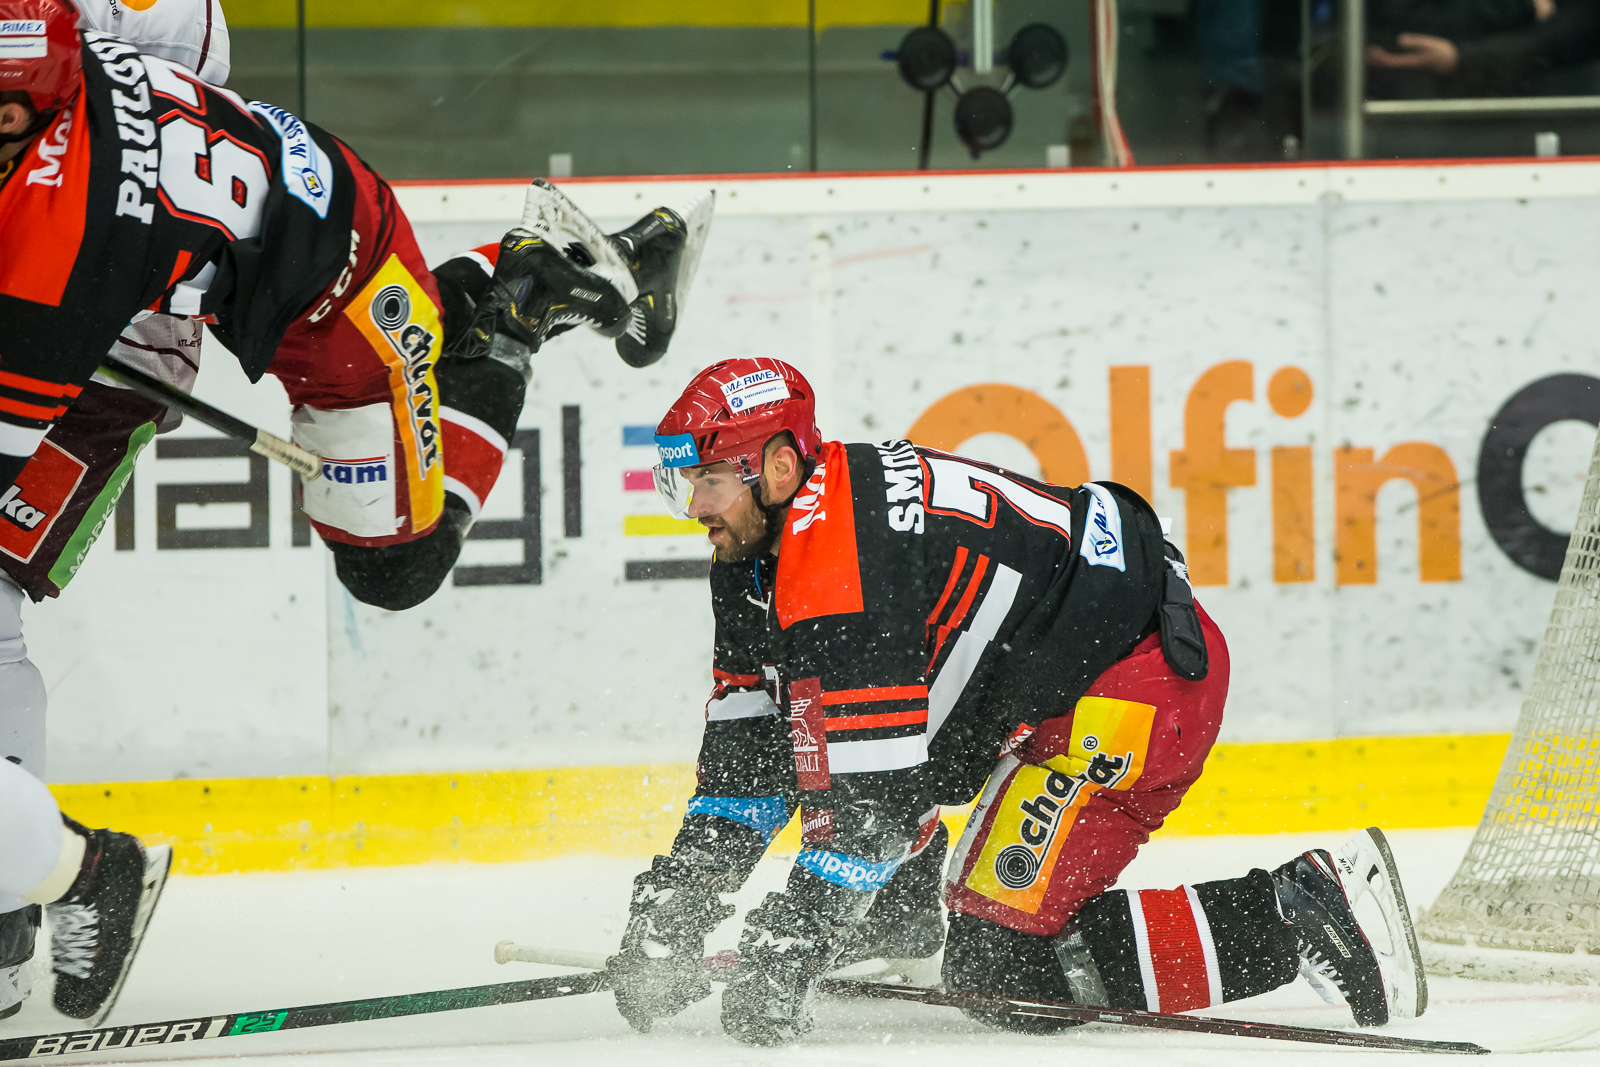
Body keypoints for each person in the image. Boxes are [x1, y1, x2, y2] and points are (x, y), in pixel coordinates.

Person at [0, 0, 705, 1023]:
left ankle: (515, 305)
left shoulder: (58, 239)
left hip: (328, 294)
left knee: (394, 565)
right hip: (219, 244)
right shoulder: (54, 81)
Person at [607, 358, 1427, 1046]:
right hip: (1066, 669)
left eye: (710, 481)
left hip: (1133, 688)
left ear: (780, 466)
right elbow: (753, 750)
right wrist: (682, 898)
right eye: (686, 483)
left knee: (1001, 970)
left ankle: (1294, 910)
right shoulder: (762, 549)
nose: (695, 508)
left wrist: (796, 936)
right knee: (833, 744)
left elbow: (878, 802)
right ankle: (895, 913)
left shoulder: (838, 573)